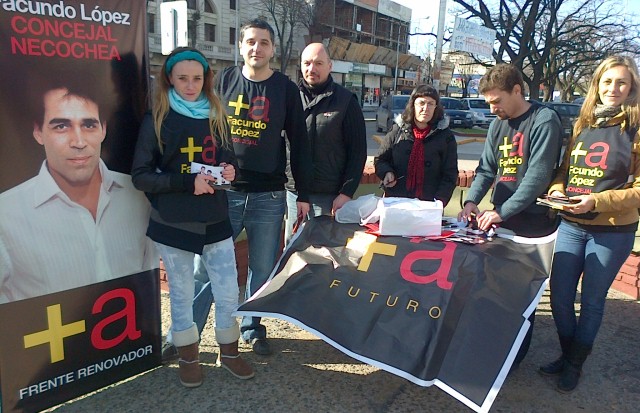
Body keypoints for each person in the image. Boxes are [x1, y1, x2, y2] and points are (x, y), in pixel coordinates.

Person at [131, 47, 254, 387]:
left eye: (197, 78)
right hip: (174, 221)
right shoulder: (157, 117)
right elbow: (140, 176)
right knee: (182, 293)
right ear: (169, 78)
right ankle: (188, 356)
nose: (190, 85)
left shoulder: (216, 113)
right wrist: (187, 182)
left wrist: (230, 170)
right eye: (182, 78)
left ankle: (229, 352)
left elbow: (228, 158)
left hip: (215, 218)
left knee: (227, 291)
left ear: (206, 79)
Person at [0, 79, 155, 303]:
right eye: (61, 126)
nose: (79, 142)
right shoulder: (6, 215)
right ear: (38, 132)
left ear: (103, 129)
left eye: (89, 125)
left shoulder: (139, 194)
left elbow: (149, 283)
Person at [210, 19, 312, 356]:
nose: (257, 48)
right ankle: (188, 332)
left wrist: (303, 193)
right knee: (207, 264)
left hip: (268, 194)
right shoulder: (223, 81)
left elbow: (299, 143)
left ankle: (253, 327)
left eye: (264, 42)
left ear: (273, 49)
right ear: (241, 46)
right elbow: (205, 131)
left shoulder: (285, 89)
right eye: (251, 41)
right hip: (225, 192)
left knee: (262, 267)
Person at [539, 56, 640, 392]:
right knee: (560, 297)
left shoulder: (636, 128)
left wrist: (597, 201)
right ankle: (570, 354)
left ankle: (574, 365)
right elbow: (564, 170)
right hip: (571, 223)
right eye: (607, 81)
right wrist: (557, 190)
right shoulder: (584, 123)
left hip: (613, 231)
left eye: (621, 82)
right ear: (596, 85)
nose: (613, 88)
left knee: (593, 301)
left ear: (632, 88)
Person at [457, 63, 563, 368]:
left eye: (497, 101)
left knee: (522, 295)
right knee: (493, 289)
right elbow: (486, 169)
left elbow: (537, 178)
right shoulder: (497, 125)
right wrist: (472, 201)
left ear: (517, 90)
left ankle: (514, 359)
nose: (492, 109)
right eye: (489, 102)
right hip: (500, 222)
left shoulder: (544, 120)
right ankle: (493, 347)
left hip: (532, 224)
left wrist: (500, 212)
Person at [284, 42, 367, 244]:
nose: (312, 69)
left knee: (324, 252)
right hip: (294, 193)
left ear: (330, 66)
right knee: (292, 250)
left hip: (330, 196)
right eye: (307, 63)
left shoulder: (346, 101)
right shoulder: (289, 97)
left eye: (318, 63)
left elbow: (357, 151)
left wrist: (346, 192)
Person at [374, 84, 458, 205]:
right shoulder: (397, 130)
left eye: (431, 104)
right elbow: (380, 160)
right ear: (413, 105)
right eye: (421, 103)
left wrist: (439, 202)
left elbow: (450, 174)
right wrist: (387, 172)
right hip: (396, 202)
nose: (426, 108)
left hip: (429, 204)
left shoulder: (445, 136)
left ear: (436, 107)